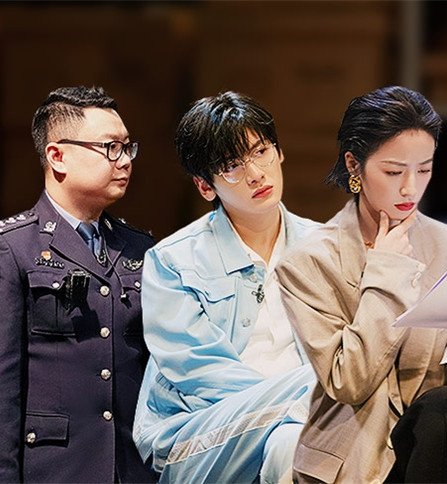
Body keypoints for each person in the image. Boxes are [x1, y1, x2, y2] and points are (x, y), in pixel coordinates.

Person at [276, 86, 447, 483]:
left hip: (436, 450)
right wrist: (387, 272)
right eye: (394, 172)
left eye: (424, 170)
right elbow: (349, 381)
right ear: (354, 166)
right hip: (356, 461)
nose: (411, 188)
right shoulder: (308, 262)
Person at [0, 86, 156, 482]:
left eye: (128, 148)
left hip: (131, 470)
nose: (124, 161)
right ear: (57, 156)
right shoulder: (8, 248)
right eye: (110, 148)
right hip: (53, 471)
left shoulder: (140, 248)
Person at [132, 92, 320, 483]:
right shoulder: (172, 261)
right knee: (333, 385)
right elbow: (198, 372)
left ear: (279, 152)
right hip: (199, 431)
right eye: (233, 166)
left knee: (291, 442)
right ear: (205, 186)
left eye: (261, 152)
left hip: (302, 424)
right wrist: (310, 398)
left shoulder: (327, 248)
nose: (256, 174)